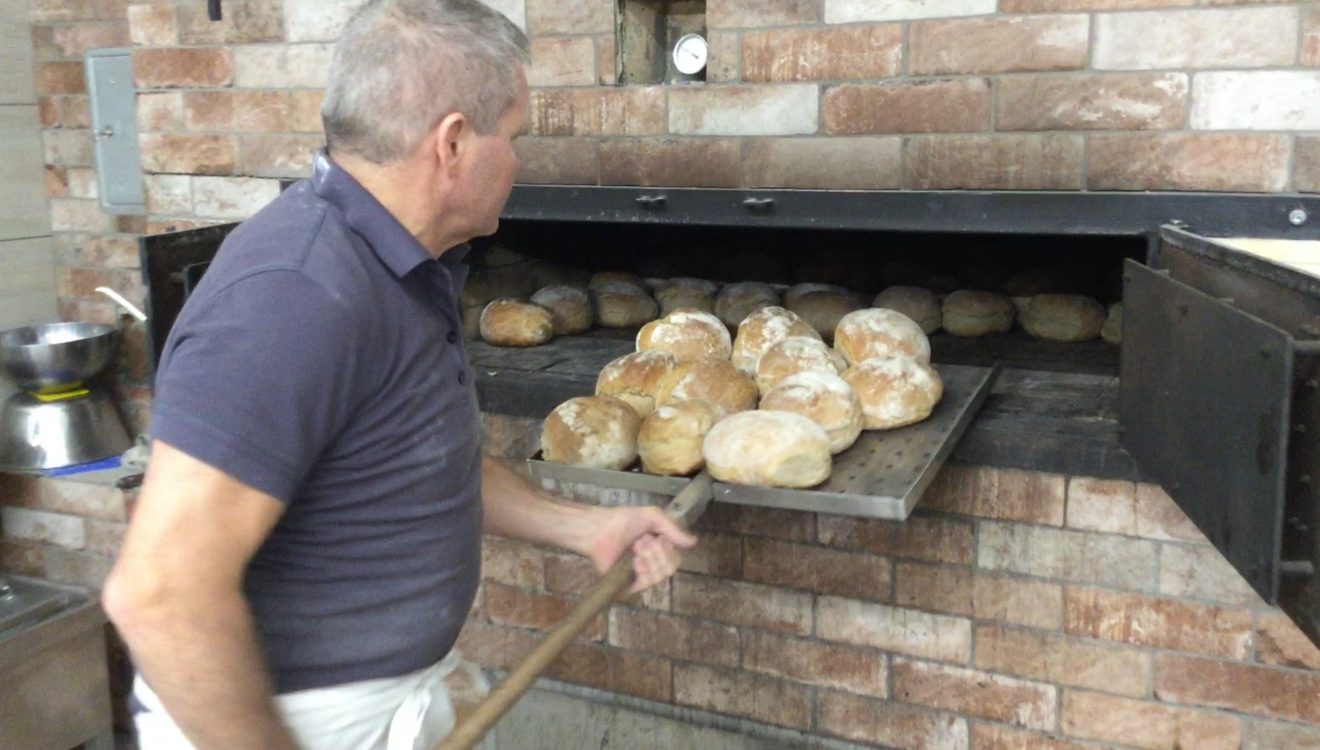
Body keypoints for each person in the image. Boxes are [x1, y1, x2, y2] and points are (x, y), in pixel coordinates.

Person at [101, 2, 696, 748]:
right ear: (451, 142)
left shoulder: (399, 265)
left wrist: (588, 527)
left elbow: (410, 462)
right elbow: (159, 595)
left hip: (381, 709)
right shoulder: (296, 294)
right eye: (513, 138)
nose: (519, 162)